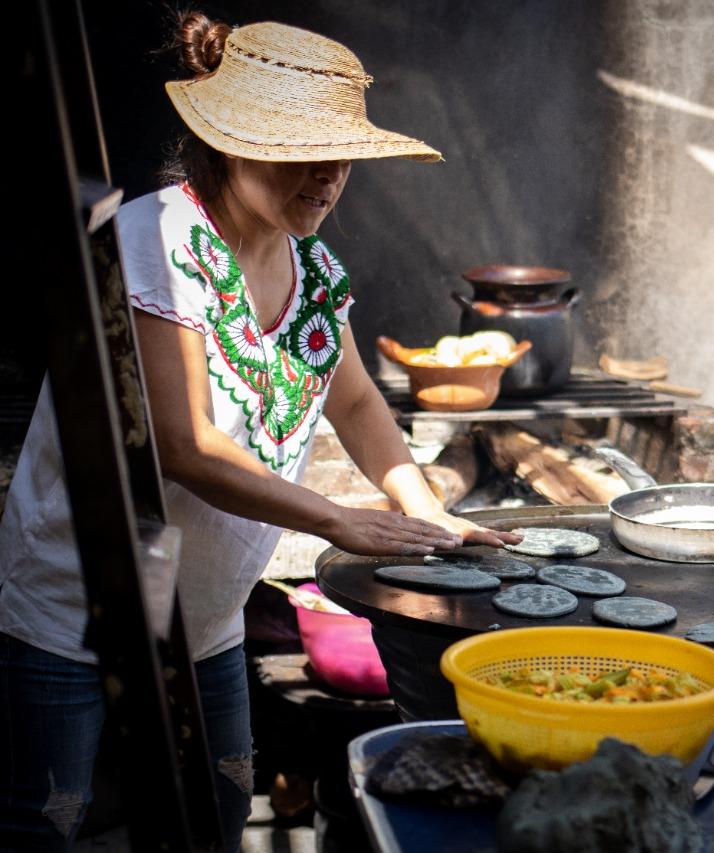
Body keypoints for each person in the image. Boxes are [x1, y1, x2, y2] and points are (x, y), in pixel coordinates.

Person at [0, 13, 518, 850]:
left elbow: (357, 404)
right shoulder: (158, 240)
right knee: (47, 823)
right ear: (231, 145)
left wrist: (425, 509)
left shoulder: (312, 268)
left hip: (204, 611)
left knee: (220, 812)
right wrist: (337, 519)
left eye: (340, 155)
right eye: (303, 152)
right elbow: (184, 445)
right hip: (77, 598)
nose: (329, 177)